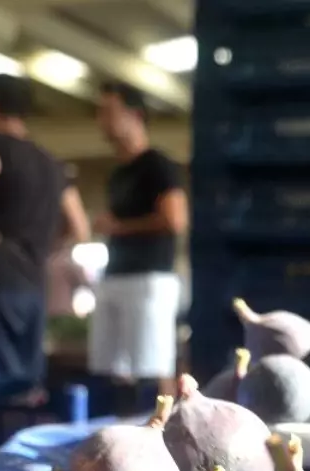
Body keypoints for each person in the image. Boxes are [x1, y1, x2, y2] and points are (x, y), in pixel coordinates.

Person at [0, 73, 90, 382]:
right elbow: (79, 226)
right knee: (26, 385)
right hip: (33, 282)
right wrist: (44, 245)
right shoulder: (51, 162)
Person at [89, 81, 187, 413]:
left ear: (135, 115)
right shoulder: (118, 174)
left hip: (150, 276)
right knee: (112, 366)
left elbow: (175, 219)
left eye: (110, 112)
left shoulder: (157, 165)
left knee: (154, 362)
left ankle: (168, 431)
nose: (102, 120)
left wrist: (120, 226)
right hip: (116, 273)